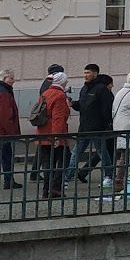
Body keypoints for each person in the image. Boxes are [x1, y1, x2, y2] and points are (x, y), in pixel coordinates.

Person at [71, 64, 115, 183]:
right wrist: (73, 104)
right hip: (84, 127)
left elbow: (106, 109)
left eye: (88, 73)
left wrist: (107, 124)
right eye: (85, 73)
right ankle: (66, 177)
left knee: (102, 153)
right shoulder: (84, 89)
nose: (85, 75)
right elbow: (82, 106)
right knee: (76, 153)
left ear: (95, 74)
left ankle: (108, 175)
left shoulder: (101, 89)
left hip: (97, 128)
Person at [36, 70, 72, 199]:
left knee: (47, 164)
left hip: (43, 132)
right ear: (62, 82)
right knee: (64, 159)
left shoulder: (45, 93)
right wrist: (56, 137)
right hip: (55, 134)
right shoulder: (60, 96)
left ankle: (46, 190)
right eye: (66, 81)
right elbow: (58, 118)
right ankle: (55, 188)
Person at [109, 69, 130, 191]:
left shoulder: (121, 92)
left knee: (121, 154)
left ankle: (118, 179)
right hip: (127, 128)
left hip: (118, 126)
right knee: (125, 155)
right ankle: (119, 180)